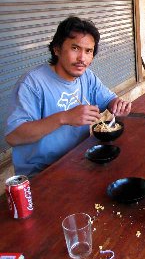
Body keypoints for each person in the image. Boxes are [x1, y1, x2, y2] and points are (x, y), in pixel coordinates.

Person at [5, 16, 132, 177]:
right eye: (75, 48)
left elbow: (108, 100)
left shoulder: (87, 77)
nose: (82, 58)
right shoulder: (32, 83)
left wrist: (117, 104)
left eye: (88, 51)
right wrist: (64, 117)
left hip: (80, 161)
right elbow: (13, 136)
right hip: (42, 173)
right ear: (56, 49)